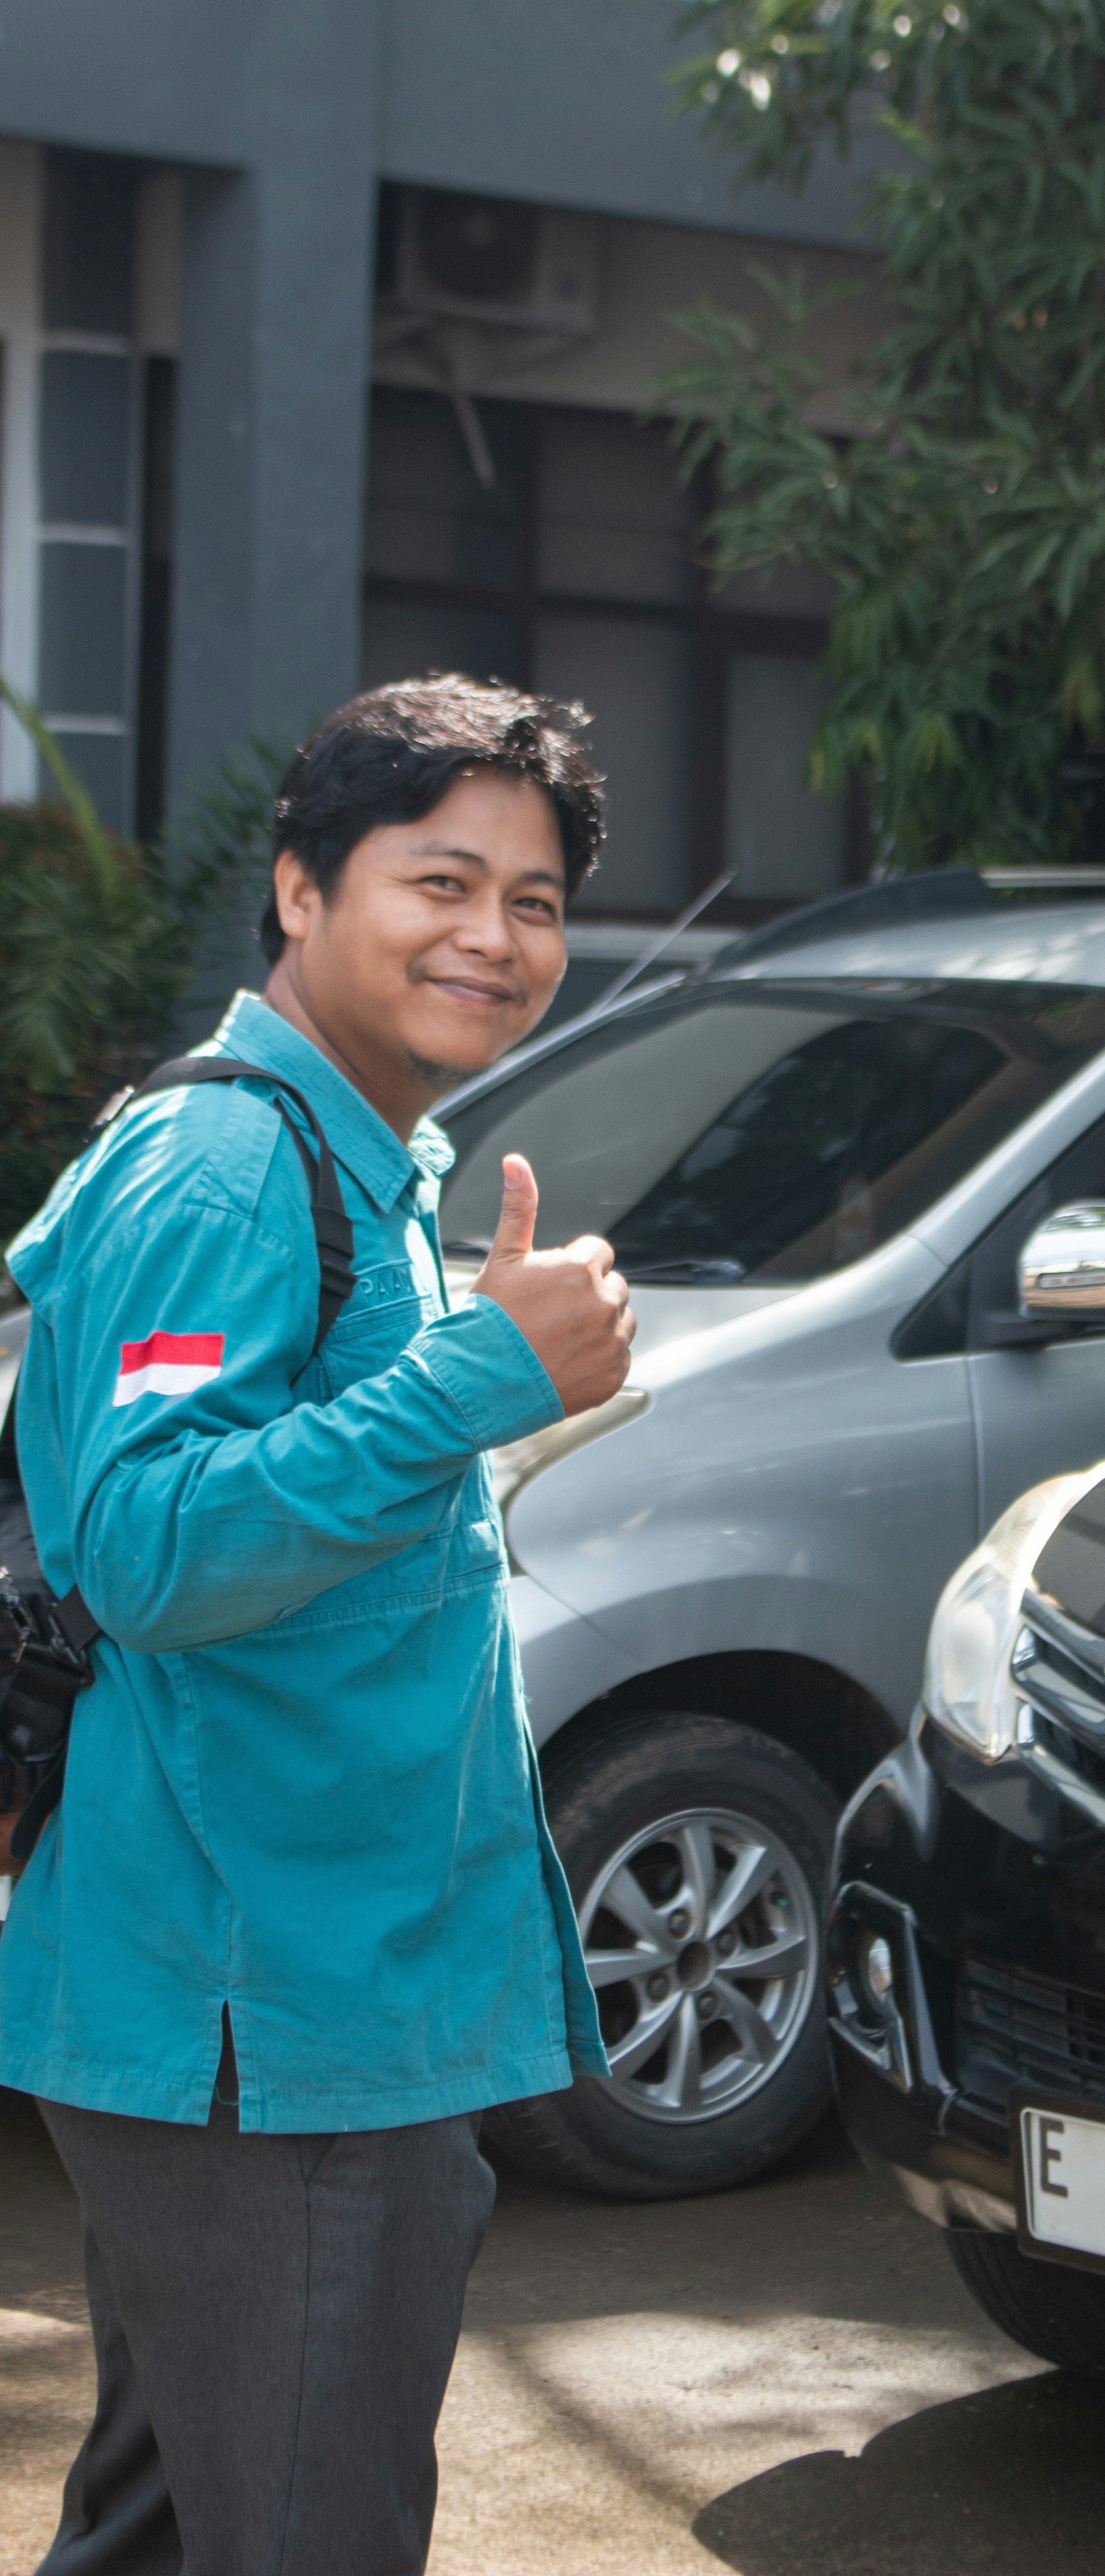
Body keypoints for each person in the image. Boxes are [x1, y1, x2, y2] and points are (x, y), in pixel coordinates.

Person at [0, 675, 635, 2576]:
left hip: (301, 2003)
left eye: (533, 900)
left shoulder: (360, 1158)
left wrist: (472, 1386)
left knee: (168, 2529)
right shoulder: (226, 1166)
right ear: (299, 889)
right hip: (258, 2024)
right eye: (440, 881)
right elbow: (149, 1550)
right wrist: (478, 1380)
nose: (492, 936)